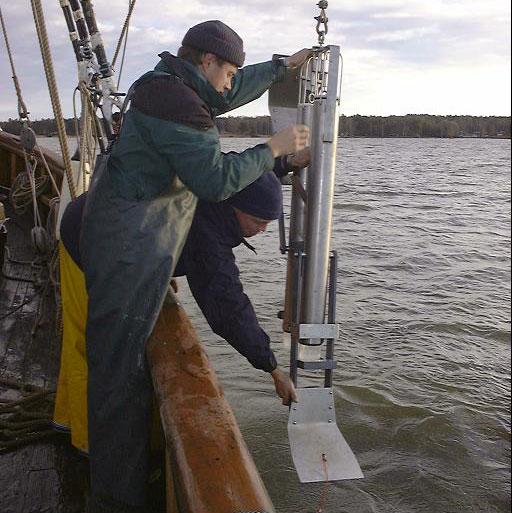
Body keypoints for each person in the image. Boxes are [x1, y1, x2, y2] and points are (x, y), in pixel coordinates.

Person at [79, 19, 311, 512]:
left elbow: (227, 99)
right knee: (118, 379)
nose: (229, 87)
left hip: (111, 228)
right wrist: (273, 148)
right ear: (206, 63)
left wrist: (279, 68)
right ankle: (116, 502)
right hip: (122, 248)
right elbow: (215, 179)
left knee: (118, 372)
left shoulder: (172, 85)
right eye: (228, 74)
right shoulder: (180, 106)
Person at [54, 154, 308, 456]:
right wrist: (272, 367)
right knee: (92, 349)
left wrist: (286, 163)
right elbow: (228, 307)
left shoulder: (214, 185)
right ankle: (88, 446)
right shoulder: (208, 235)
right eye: (257, 221)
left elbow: (245, 166)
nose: (263, 229)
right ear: (231, 205)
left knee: (77, 342)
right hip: (88, 245)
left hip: (101, 227)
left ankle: (65, 420)